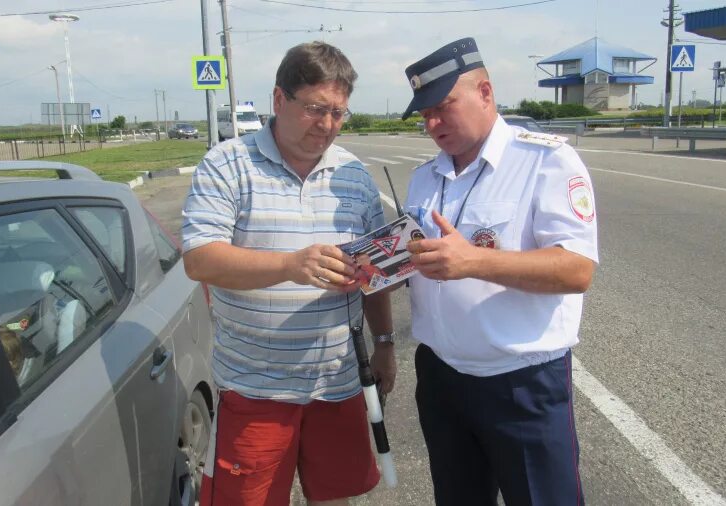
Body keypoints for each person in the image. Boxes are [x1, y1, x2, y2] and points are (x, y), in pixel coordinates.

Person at [182, 41, 396, 506]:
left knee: (338, 497)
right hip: (256, 388)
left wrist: (385, 342)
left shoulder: (354, 175)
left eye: (339, 113)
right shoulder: (227, 165)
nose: (327, 125)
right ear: (280, 100)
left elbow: (375, 271)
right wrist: (289, 265)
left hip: (337, 384)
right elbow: (199, 258)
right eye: (316, 108)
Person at [400, 38, 599, 505]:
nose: (432, 124)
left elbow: (576, 270)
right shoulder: (425, 176)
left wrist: (476, 261)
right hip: (442, 378)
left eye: (442, 107)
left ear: (485, 92)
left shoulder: (545, 162)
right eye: (424, 114)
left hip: (520, 383)